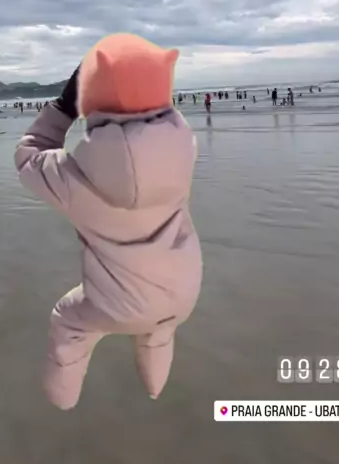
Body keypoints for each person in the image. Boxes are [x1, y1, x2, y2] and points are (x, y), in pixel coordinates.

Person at [14, 33, 202, 411]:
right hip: (185, 294)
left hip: (120, 306)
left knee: (69, 322)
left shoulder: (72, 175)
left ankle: (63, 402)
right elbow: (155, 113)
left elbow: (27, 157)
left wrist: (64, 108)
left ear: (91, 97)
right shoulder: (185, 147)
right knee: (158, 328)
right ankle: (154, 388)